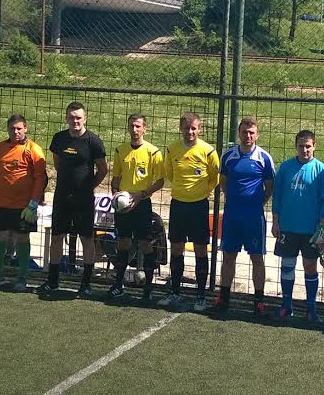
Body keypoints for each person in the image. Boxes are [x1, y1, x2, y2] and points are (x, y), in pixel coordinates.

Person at [40, 102, 107, 296]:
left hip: (83, 199)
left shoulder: (93, 141)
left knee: (86, 238)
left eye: (78, 117)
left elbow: (103, 169)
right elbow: (57, 162)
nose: (75, 121)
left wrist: (88, 186)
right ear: (66, 118)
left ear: (85, 118)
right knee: (57, 237)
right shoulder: (59, 139)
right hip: (62, 197)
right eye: (71, 117)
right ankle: (53, 281)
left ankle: (86, 284)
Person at [214, 117, 276, 315]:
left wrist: (257, 203)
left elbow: (269, 187)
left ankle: (258, 300)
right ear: (239, 133)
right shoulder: (228, 156)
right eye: (244, 132)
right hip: (232, 216)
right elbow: (223, 182)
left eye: (251, 133)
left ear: (257, 135)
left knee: (257, 258)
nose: (248, 136)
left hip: (254, 218)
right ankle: (224, 297)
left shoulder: (264, 158)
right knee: (228, 256)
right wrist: (233, 199)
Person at [159, 112, 219, 310]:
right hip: (178, 205)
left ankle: (201, 296)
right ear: (181, 129)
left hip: (199, 206)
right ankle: (175, 292)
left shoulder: (208, 151)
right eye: (187, 128)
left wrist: (201, 192)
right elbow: (169, 173)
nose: (190, 132)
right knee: (177, 248)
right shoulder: (172, 149)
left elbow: (214, 177)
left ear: (199, 129)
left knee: (201, 249)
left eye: (194, 128)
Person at [0, 114, 47, 291]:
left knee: (23, 238)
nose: (15, 132)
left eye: (19, 128)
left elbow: (40, 178)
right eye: (12, 128)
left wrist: (33, 204)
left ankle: (22, 278)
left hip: (24, 206)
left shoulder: (34, 149)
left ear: (25, 128)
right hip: (0, 203)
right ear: (7, 129)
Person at [271, 130, 324, 323]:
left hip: (311, 230)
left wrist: (321, 227)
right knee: (287, 265)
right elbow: (277, 196)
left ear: (314, 146)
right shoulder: (285, 167)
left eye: (308, 146)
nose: (304, 150)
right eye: (301, 146)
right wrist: (275, 221)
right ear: (295, 146)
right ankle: (286, 306)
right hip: (288, 227)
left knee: (310, 266)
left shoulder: (322, 170)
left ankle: (311, 309)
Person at [107, 114, 165, 301]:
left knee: (145, 244)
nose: (134, 130)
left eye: (138, 126)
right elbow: (116, 178)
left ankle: (148, 287)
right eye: (132, 126)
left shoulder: (153, 152)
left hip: (142, 204)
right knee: (123, 243)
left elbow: (160, 181)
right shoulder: (120, 150)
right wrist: (115, 194)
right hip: (123, 206)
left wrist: (141, 195)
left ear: (144, 128)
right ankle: (118, 284)